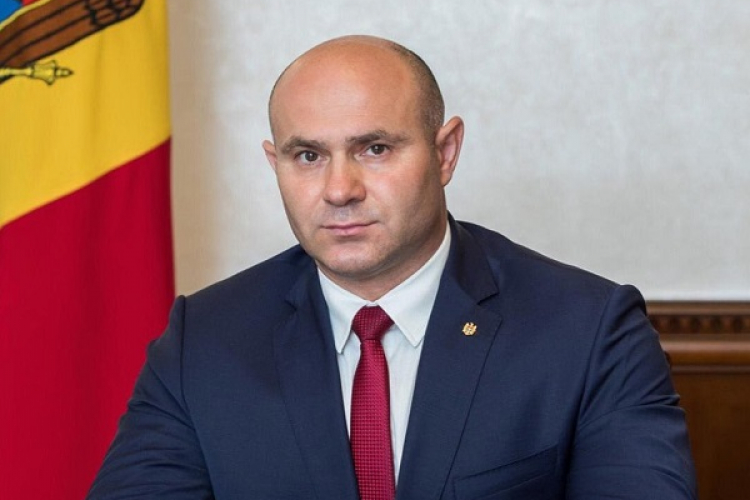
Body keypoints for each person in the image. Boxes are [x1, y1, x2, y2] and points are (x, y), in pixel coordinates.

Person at [88, 35, 696, 499]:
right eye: (308, 156)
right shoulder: (203, 341)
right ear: (276, 164)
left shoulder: (589, 332)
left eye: (374, 149)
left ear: (445, 152)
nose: (339, 189)